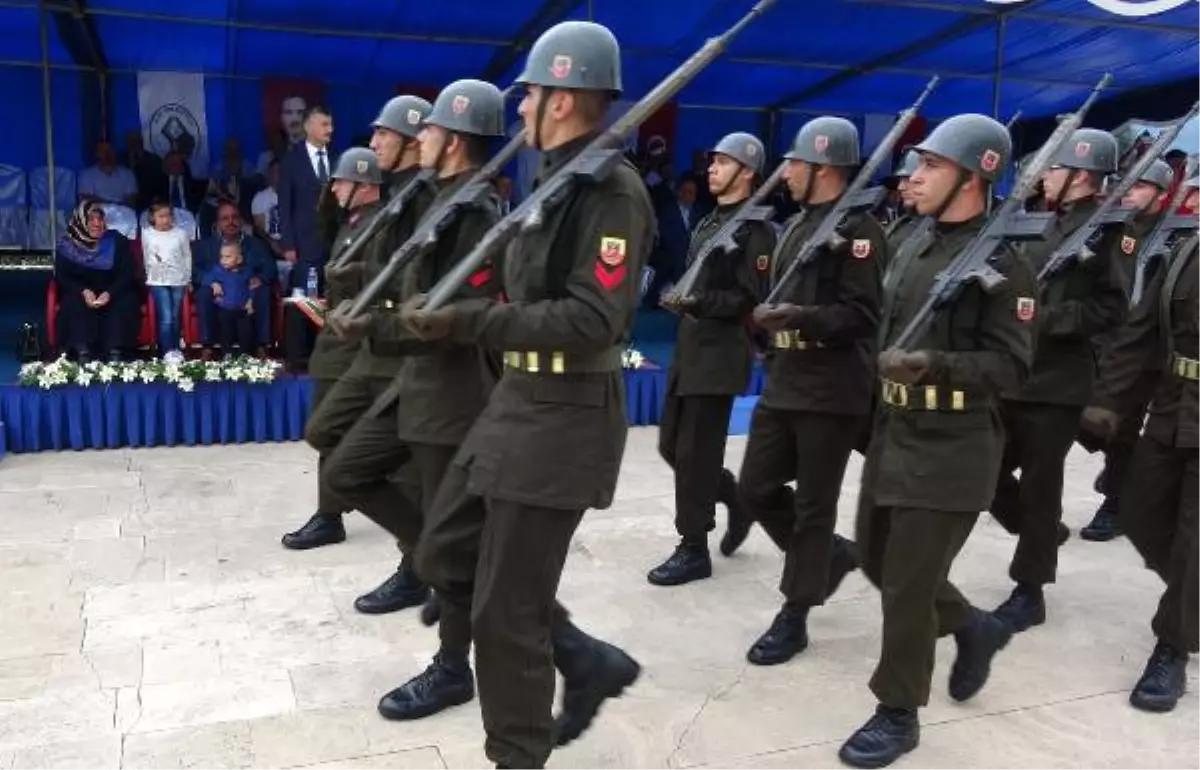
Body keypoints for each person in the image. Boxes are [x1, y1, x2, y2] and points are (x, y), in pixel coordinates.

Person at [400, 21, 649, 769]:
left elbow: (593, 316)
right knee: (443, 550)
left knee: (505, 613)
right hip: (518, 402)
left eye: (533, 94)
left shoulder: (610, 191)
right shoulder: (555, 180)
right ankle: (581, 655)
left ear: (566, 100)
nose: (522, 109)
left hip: (565, 417)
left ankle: (518, 754)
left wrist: (472, 321)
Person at [840, 114, 1035, 768]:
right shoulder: (914, 242)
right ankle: (975, 627)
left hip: (953, 444)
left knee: (907, 587)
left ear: (974, 177)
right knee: (874, 559)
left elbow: (1011, 367)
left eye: (929, 167)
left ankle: (898, 712)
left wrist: (935, 365)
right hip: (896, 431)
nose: (913, 178)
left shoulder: (1007, 263)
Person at [327, 79, 506, 722]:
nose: (416, 137)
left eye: (428, 129)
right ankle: (433, 566)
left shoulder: (478, 214)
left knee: (451, 541)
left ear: (453, 139)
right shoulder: (431, 200)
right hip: (414, 382)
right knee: (348, 470)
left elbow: (452, 316)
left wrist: (372, 325)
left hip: (452, 394)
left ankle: (453, 666)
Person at [723, 117, 886, 666]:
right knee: (755, 487)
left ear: (825, 168)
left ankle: (795, 611)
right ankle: (829, 559)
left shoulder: (861, 231)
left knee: (815, 505)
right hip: (786, 378)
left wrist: (802, 318)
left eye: (796, 162)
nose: (786, 171)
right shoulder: (798, 225)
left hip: (832, 387)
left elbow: (863, 316)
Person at [281, 97, 434, 593]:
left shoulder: (416, 201)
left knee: (407, 464)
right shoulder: (385, 206)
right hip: (368, 342)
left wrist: (360, 283)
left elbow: (411, 277)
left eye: (382, 135)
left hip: (395, 347)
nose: (373, 144)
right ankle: (416, 544)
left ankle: (418, 561)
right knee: (328, 434)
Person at [988, 128, 1127, 633]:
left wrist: (1047, 317)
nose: (1043, 175)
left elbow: (1114, 307)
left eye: (1053, 167)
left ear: (1082, 175)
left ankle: (1030, 589)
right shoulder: (1039, 223)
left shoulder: (1111, 230)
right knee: (986, 474)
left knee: (1042, 486)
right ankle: (1039, 534)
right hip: (1016, 374)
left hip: (1059, 383)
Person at [1081, 184, 1200, 716]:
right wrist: (1106, 405)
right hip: (1173, 406)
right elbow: (1139, 336)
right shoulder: (1184, 254)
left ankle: (1171, 646)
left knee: (1195, 539)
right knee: (1140, 513)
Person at [647, 132, 776, 587]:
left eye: (723, 163)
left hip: (719, 356)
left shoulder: (754, 229)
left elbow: (750, 299)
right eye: (713, 161)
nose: (712, 169)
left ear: (747, 172)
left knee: (696, 454)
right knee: (670, 446)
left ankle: (693, 546)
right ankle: (735, 499)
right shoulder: (709, 222)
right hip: (690, 350)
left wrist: (698, 302)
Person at [1080, 159, 1177, 542]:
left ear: (1162, 193)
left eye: (1141, 186)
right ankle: (1123, 469)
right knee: (1090, 419)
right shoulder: (1116, 228)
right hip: (1106, 340)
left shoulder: (1175, 234)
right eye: (1129, 185)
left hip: (1146, 351)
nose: (1130, 192)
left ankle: (1116, 503)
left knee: (1123, 424)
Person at [53, 199, 140, 363]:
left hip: (113, 289)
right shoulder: (67, 245)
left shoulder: (117, 241)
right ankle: (82, 348)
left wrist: (109, 293)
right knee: (72, 302)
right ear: (80, 221)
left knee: (125, 301)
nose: (97, 223)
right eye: (91, 219)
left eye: (100, 219)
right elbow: (62, 276)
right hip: (81, 290)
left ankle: (116, 349)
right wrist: (83, 291)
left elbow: (128, 272)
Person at [191, 201, 275, 356]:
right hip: (219, 291)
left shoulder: (255, 244)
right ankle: (208, 346)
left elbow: (270, 268)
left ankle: (261, 345)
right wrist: (211, 282)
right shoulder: (205, 246)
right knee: (203, 292)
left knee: (263, 290)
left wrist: (260, 278)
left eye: (234, 217)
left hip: (246, 289)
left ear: (241, 220)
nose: (231, 222)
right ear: (217, 223)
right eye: (225, 218)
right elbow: (194, 271)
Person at [142, 201, 193, 361]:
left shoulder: (180, 233)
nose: (165, 219)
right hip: (158, 281)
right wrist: (150, 274)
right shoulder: (147, 233)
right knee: (166, 316)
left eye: (168, 215)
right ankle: (166, 351)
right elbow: (146, 256)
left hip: (178, 280)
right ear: (153, 217)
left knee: (176, 316)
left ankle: (176, 349)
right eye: (161, 216)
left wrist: (187, 278)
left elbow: (187, 256)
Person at [202, 241, 257, 356]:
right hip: (225, 309)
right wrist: (214, 283)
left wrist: (250, 301)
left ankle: (245, 355)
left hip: (243, 310)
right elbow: (205, 279)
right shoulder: (218, 270)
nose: (223, 260)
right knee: (225, 333)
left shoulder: (247, 271)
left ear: (239, 259)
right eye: (221, 257)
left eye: (228, 257)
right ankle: (227, 355)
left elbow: (253, 287)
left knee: (245, 333)